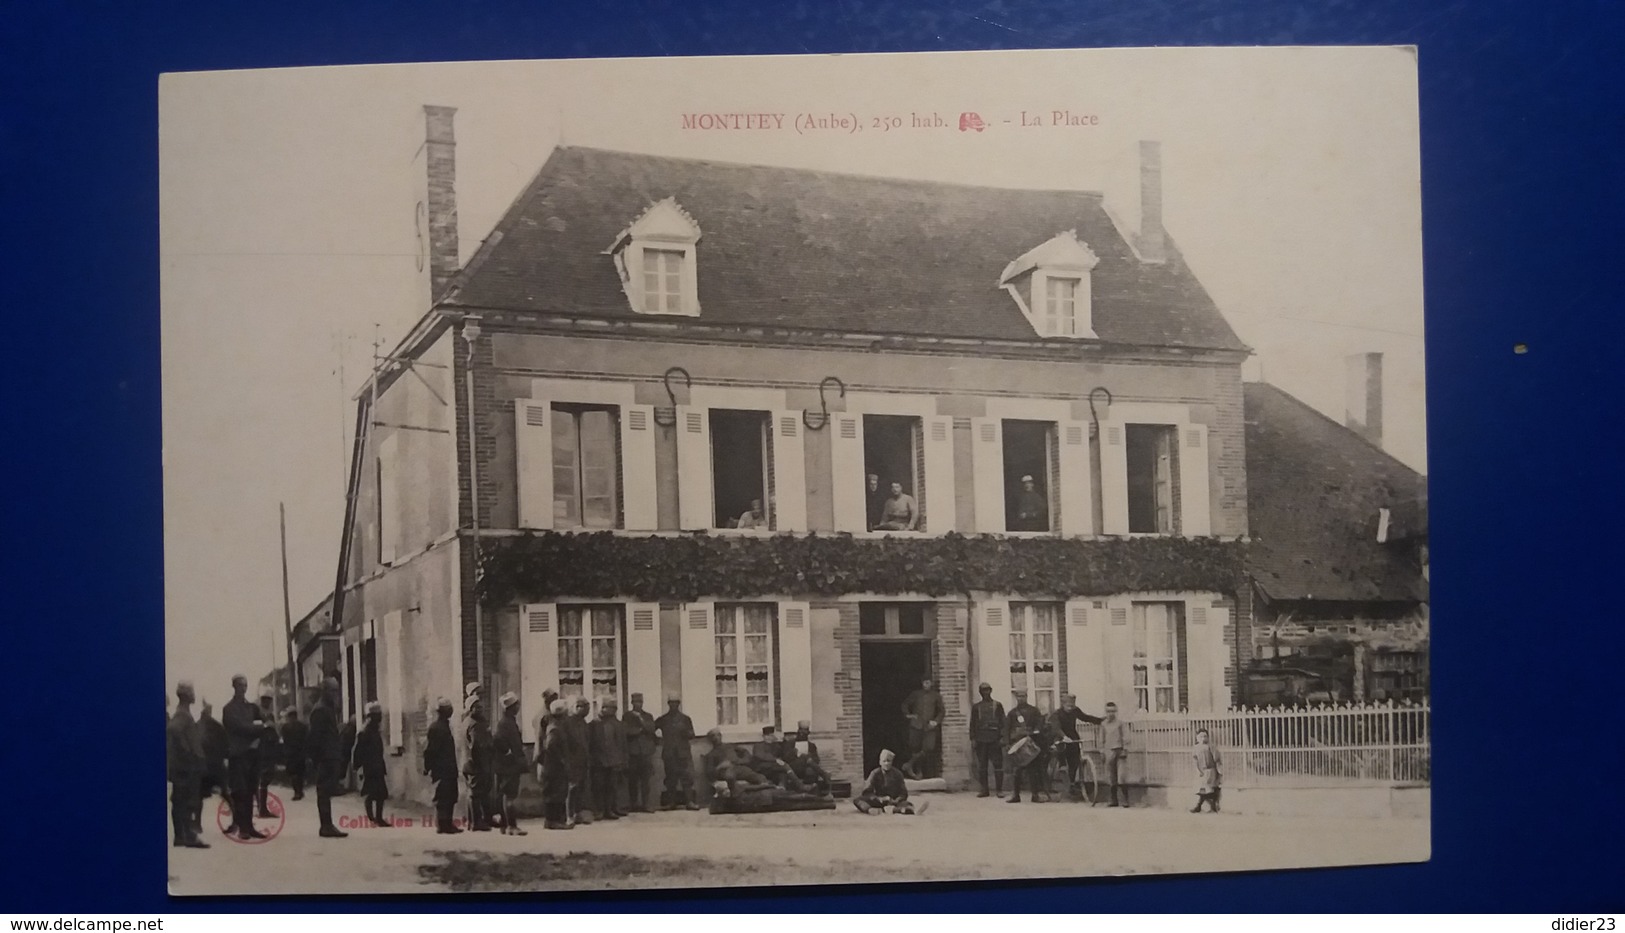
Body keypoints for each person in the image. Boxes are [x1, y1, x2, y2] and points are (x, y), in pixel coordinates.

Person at [222, 675, 268, 839]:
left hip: (252, 754)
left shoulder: (252, 708)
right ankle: (243, 828)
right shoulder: (228, 709)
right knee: (239, 791)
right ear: (234, 686)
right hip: (238, 755)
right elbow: (238, 728)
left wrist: (257, 728)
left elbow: (264, 723)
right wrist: (255, 728)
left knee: (250, 790)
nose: (243, 688)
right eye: (240, 685)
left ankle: (249, 826)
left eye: (245, 685)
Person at [166, 681, 209, 848]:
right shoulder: (183, 715)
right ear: (187, 695)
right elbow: (173, 730)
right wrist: (188, 753)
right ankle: (188, 837)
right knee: (188, 800)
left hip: (181, 766)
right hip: (186, 767)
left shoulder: (182, 713)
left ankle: (181, 836)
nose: (194, 695)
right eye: (192, 692)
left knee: (179, 800)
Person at [307, 678, 349, 838]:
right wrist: (318, 758)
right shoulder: (320, 710)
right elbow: (315, 737)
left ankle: (327, 824)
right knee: (324, 791)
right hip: (325, 756)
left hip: (330, 755)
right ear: (325, 691)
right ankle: (326, 826)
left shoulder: (328, 708)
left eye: (336, 690)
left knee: (327, 790)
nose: (336, 694)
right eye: (332, 691)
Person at [1049, 693, 1104, 801]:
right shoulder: (1057, 714)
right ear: (1063, 704)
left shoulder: (1075, 711)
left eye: (1072, 706)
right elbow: (1056, 727)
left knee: (1074, 761)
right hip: (1060, 738)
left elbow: (1085, 717)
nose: (1070, 708)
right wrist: (1064, 737)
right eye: (1068, 706)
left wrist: (1100, 721)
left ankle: (1072, 783)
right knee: (1063, 758)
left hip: (1073, 737)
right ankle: (1062, 769)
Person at [422, 697, 462, 834]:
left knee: (450, 796)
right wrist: (427, 767)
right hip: (442, 769)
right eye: (448, 709)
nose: (451, 711)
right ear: (443, 712)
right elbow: (430, 750)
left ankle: (448, 824)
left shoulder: (444, 726)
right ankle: (442, 825)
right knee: (443, 798)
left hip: (449, 768)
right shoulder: (436, 728)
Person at [1003, 688, 1048, 803]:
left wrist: (1036, 731)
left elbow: (1039, 724)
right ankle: (1016, 795)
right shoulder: (1012, 713)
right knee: (1017, 771)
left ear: (1026, 697)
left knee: (1033, 770)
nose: (1021, 698)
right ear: (1016, 698)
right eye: (1019, 696)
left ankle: (1035, 795)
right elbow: (1007, 729)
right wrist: (1007, 743)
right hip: (1017, 744)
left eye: (1023, 696)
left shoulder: (1034, 711)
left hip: (1030, 742)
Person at [589, 697, 630, 820]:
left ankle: (610, 809)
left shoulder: (619, 725)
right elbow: (589, 744)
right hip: (598, 761)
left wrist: (623, 759)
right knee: (598, 786)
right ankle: (599, 810)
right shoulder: (593, 724)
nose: (608, 710)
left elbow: (623, 744)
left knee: (612, 786)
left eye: (612, 708)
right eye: (605, 707)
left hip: (614, 761)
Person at [655, 694, 699, 810]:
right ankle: (671, 802)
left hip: (683, 753)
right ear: (668, 704)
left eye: (676, 703)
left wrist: (687, 733)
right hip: (669, 754)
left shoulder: (685, 719)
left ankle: (689, 801)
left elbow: (692, 734)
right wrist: (657, 741)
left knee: (687, 778)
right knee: (670, 778)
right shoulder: (663, 719)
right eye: (671, 703)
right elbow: (651, 730)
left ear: (679, 704)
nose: (673, 705)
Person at [493, 692, 528, 835]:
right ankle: (511, 826)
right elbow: (497, 741)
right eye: (516, 705)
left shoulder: (507, 722)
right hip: (509, 765)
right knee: (509, 796)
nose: (518, 707)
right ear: (510, 708)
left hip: (506, 764)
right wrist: (509, 753)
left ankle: (504, 826)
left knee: (505, 795)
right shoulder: (506, 724)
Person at [462, 694, 495, 831]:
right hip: (476, 763)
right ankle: (476, 822)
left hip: (471, 762)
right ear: (470, 709)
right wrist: (482, 763)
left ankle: (475, 821)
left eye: (481, 706)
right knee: (475, 793)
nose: (480, 709)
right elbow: (476, 746)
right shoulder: (474, 724)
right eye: (476, 707)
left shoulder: (469, 722)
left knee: (476, 792)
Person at [900, 676, 944, 779]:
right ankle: (918, 772)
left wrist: (936, 721)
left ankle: (909, 764)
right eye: (924, 683)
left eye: (928, 683)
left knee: (929, 748)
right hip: (916, 725)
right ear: (922, 683)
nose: (926, 685)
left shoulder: (936, 696)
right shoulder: (916, 694)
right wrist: (909, 715)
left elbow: (941, 711)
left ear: (931, 683)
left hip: (929, 726)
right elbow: (905, 704)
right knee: (916, 748)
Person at [195, 701, 228, 836]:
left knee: (201, 796)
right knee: (223, 793)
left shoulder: (199, 726)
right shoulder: (209, 726)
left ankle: (197, 824)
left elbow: (225, 744)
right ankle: (197, 824)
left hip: (208, 766)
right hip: (210, 766)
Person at [854, 749, 923, 815]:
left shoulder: (898, 774)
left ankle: (900, 810)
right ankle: (870, 810)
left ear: (892, 762)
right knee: (858, 800)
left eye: (889, 761)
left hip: (893, 801)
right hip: (878, 801)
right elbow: (867, 792)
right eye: (884, 761)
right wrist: (878, 798)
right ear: (880, 762)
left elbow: (903, 793)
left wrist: (896, 800)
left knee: (906, 804)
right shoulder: (875, 773)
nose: (886, 763)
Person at [354, 701, 389, 828]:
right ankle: (372, 817)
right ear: (371, 716)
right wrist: (358, 767)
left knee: (381, 793)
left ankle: (378, 818)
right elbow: (358, 750)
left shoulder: (375, 731)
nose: (380, 718)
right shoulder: (364, 732)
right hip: (370, 766)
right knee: (371, 792)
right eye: (377, 715)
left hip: (377, 765)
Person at [968, 682, 1006, 798]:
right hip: (981, 739)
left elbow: (1003, 722)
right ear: (980, 692)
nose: (985, 693)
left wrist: (1003, 737)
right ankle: (984, 790)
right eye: (983, 690)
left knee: (998, 765)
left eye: (987, 690)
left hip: (994, 739)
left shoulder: (997, 705)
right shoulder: (976, 707)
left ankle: (999, 790)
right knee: (982, 766)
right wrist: (973, 739)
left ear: (991, 690)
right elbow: (973, 724)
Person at [539, 699, 572, 830]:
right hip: (554, 767)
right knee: (554, 793)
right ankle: (552, 820)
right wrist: (562, 759)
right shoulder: (555, 728)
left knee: (559, 792)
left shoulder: (557, 725)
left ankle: (557, 820)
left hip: (555, 766)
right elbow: (551, 746)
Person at [623, 692, 658, 813]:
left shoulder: (648, 716)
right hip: (632, 752)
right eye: (636, 702)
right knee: (632, 780)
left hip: (646, 752)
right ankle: (633, 804)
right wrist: (640, 730)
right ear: (632, 703)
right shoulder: (627, 716)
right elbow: (627, 732)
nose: (638, 704)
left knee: (645, 780)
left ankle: (646, 804)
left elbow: (651, 729)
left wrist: (640, 720)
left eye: (640, 702)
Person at [563, 696, 593, 824]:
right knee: (572, 788)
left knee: (581, 787)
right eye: (584, 707)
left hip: (583, 760)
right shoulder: (568, 722)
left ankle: (577, 813)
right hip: (572, 760)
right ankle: (569, 815)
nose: (587, 710)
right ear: (576, 707)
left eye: (588, 708)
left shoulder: (584, 723)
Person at [782, 721, 831, 794]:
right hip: (794, 766)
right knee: (804, 757)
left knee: (808, 761)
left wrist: (809, 756)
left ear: (808, 733)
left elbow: (817, 760)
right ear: (798, 731)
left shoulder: (811, 745)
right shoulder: (790, 744)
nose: (802, 733)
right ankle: (824, 774)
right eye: (801, 731)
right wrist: (795, 752)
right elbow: (785, 758)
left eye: (805, 732)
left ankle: (813, 787)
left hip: (806, 766)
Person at [749, 725, 803, 791]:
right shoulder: (758, 745)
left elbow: (784, 754)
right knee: (784, 766)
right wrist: (775, 760)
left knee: (782, 773)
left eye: (772, 735)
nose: (773, 737)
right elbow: (760, 755)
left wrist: (786, 742)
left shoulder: (776, 746)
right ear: (765, 736)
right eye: (771, 735)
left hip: (773, 769)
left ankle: (782, 787)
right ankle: (800, 785)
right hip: (761, 768)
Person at [255, 693, 282, 819]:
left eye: (269, 700)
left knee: (267, 776)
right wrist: (266, 726)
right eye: (265, 700)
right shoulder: (257, 713)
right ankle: (262, 809)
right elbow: (254, 729)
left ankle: (262, 807)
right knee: (263, 778)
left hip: (270, 748)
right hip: (262, 747)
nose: (267, 702)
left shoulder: (270, 714)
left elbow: (275, 730)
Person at [1099, 701, 1130, 807]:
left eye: (1112, 711)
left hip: (1119, 751)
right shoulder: (1103, 724)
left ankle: (1125, 800)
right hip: (1108, 752)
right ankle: (1113, 800)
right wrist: (1102, 751)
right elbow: (1101, 739)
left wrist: (1124, 749)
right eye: (1108, 711)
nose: (1110, 714)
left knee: (1121, 777)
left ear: (1116, 712)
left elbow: (1126, 737)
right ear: (1105, 712)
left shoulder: (1120, 723)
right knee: (1111, 777)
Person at [279, 708, 308, 801]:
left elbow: (283, 739)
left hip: (290, 753)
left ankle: (297, 792)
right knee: (300, 773)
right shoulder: (303, 726)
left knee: (293, 774)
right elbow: (306, 739)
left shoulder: (285, 727)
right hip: (300, 753)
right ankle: (300, 790)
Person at [1191, 728, 1222, 814]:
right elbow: (1195, 760)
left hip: (1210, 770)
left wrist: (1219, 771)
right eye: (1201, 736)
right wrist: (1198, 770)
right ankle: (1211, 806)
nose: (1203, 738)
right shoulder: (1195, 748)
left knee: (1207, 788)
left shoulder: (1211, 747)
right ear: (1197, 737)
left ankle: (1200, 806)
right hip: (1201, 771)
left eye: (1205, 736)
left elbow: (1217, 759)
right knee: (1202, 789)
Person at [532, 687, 560, 781]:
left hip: (543, 750)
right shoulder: (545, 715)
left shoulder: (541, 713)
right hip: (545, 751)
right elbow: (540, 735)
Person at [338, 713, 359, 794]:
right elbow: (347, 742)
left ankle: (341, 786)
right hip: (344, 752)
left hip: (340, 751)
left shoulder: (344, 727)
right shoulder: (350, 730)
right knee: (342, 769)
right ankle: (340, 787)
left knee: (341, 769)